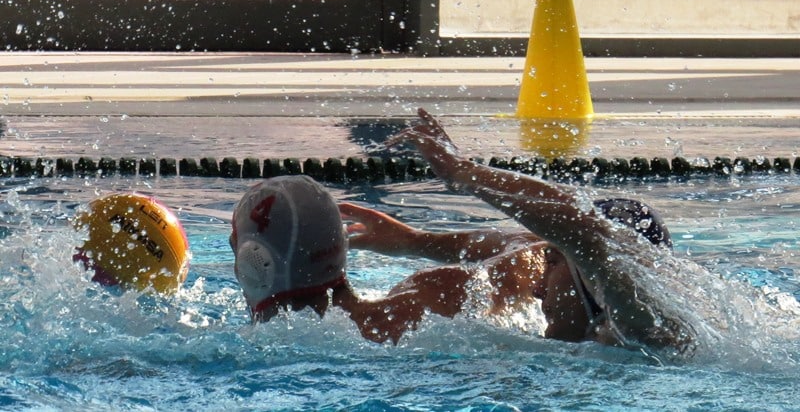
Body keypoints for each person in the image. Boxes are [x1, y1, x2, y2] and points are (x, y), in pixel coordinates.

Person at [385, 108, 695, 353]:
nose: (537, 289)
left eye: (552, 262)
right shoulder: (615, 328)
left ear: (593, 269)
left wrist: (463, 173)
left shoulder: (645, 329)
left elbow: (579, 226)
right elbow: (518, 240)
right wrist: (413, 241)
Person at [230, 175, 548, 345]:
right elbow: (540, 249)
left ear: (251, 263)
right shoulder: (423, 303)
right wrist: (417, 240)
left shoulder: (244, 349)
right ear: (340, 244)